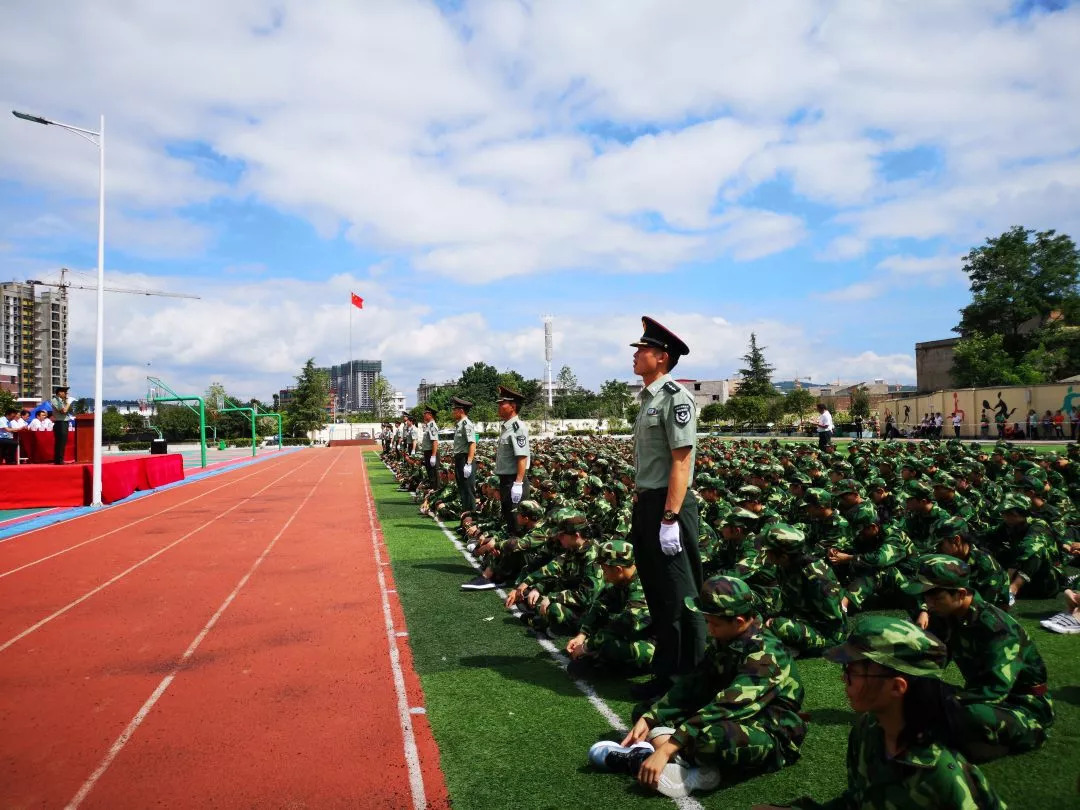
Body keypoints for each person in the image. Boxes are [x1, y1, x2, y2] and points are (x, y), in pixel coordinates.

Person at [756, 615, 1006, 810]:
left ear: (897, 687)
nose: (845, 679)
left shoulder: (941, 772)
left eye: (853, 671)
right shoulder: (868, 730)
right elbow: (859, 801)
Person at [592, 575, 807, 800]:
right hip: (732, 715)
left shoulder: (766, 654)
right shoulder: (729, 638)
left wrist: (669, 746)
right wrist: (652, 716)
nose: (709, 629)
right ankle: (686, 765)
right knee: (645, 712)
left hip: (769, 730)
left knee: (712, 738)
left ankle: (652, 758)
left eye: (714, 623)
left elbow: (730, 704)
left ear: (740, 620)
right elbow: (694, 683)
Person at [903, 554, 1054, 762]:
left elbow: (995, 688)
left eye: (935, 597)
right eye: (926, 597)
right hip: (979, 697)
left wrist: (945, 704)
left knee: (970, 714)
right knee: (914, 686)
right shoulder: (948, 616)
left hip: (1020, 706)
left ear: (961, 594)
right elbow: (932, 659)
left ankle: (1007, 738)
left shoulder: (997, 628)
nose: (928, 604)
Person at [627, 316, 705, 701]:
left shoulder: (675, 397)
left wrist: (670, 517)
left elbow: (681, 461)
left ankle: (690, 676)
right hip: (648, 503)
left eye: (642, 349)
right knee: (658, 593)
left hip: (668, 505)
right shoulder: (648, 399)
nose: (636, 355)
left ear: (661, 357)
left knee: (680, 594)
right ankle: (666, 672)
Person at [494, 385, 530, 535]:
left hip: (513, 481)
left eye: (503, 403)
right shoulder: (507, 428)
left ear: (513, 406)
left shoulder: (517, 428)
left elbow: (522, 456)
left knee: (516, 523)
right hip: (506, 480)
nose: (499, 406)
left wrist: (518, 483)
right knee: (509, 519)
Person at [450, 397, 477, 513]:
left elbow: (472, 443)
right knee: (462, 488)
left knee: (468, 488)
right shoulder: (460, 424)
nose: (453, 412)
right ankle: (465, 515)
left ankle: (471, 515)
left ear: (461, 411)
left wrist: (469, 463)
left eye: (454, 410)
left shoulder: (467, 424)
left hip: (465, 459)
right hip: (460, 458)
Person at [49, 386, 72, 463]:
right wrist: (68, 403)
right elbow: (63, 411)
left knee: (62, 442)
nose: (66, 394)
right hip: (60, 423)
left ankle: (59, 459)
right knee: (60, 442)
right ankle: (58, 460)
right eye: (65, 392)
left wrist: (67, 402)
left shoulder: (63, 401)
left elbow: (69, 411)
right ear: (60, 393)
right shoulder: (55, 400)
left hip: (64, 422)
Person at [419, 406, 439, 490]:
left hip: (431, 452)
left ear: (430, 415)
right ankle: (432, 492)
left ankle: (435, 491)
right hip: (428, 452)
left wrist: (433, 456)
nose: (423, 415)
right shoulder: (429, 425)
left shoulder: (432, 426)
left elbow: (434, 441)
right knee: (431, 474)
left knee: (434, 475)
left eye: (425, 413)